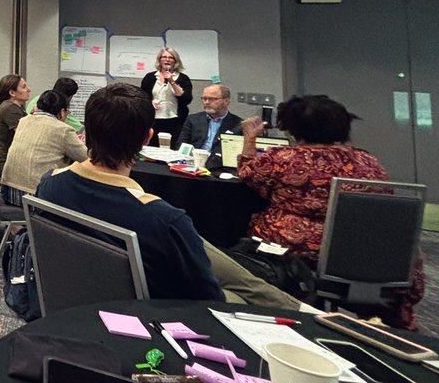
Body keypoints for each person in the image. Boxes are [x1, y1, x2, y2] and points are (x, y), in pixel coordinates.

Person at [37, 83, 306, 308]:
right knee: (241, 294)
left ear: (85, 134)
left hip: (76, 306)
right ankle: (302, 311)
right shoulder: (164, 220)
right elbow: (207, 298)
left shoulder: (49, 185)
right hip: (156, 316)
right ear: (147, 138)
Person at [238, 95, 424, 329]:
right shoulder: (368, 161)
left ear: (293, 128)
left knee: (245, 236)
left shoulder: (284, 159)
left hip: (302, 257)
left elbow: (247, 174)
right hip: (369, 254)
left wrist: (250, 138)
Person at [0, 90, 87, 205]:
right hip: (36, 198)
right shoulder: (63, 129)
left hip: (8, 192)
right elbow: (87, 158)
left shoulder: (23, 121)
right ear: (62, 112)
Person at [139, 47, 191, 144]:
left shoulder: (183, 78)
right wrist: (150, 103)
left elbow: (186, 99)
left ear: (175, 61)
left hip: (175, 120)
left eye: (171, 58)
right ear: (159, 60)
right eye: (164, 57)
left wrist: (171, 81)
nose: (167, 60)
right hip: (153, 120)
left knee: (171, 146)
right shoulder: (150, 77)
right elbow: (141, 98)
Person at [177, 83, 241, 156]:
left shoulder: (238, 124)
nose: (207, 102)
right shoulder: (193, 119)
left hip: (218, 161)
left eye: (212, 99)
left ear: (226, 101)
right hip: (193, 158)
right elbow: (180, 144)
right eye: (204, 99)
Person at [0, 74, 31, 179]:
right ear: (12, 93)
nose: (29, 89)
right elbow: (25, 136)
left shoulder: (14, 106)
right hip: (0, 161)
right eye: (24, 87)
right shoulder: (10, 108)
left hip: (1, 158)